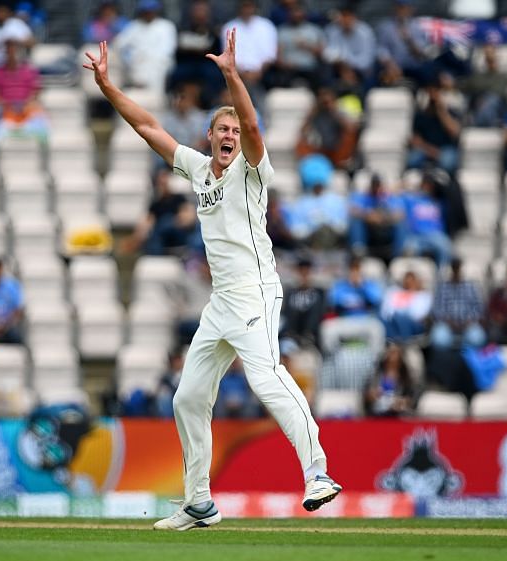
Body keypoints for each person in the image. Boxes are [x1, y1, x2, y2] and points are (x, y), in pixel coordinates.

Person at [83, 30, 341, 531]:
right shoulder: (200, 170)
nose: (229, 135)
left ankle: (317, 473)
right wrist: (108, 88)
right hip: (221, 302)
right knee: (188, 397)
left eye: (234, 132)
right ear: (210, 137)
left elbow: (251, 120)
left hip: (257, 291)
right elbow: (148, 126)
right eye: (221, 130)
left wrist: (229, 74)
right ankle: (199, 501)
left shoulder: (251, 169)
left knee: (266, 377)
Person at [430, 258, 485, 349]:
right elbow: (436, 309)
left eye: (458, 268)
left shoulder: (471, 287)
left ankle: (468, 360)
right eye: (454, 268)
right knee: (439, 340)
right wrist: (448, 321)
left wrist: (469, 321)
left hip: (468, 324)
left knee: (477, 339)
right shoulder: (442, 287)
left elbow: (479, 308)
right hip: (446, 324)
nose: (456, 271)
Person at [363, 343, 415, 417]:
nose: (391, 355)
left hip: (398, 414)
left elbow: (411, 397)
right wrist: (371, 395)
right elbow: (365, 395)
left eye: (394, 353)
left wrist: (403, 402)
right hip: (377, 413)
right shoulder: (375, 374)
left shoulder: (405, 378)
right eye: (390, 352)